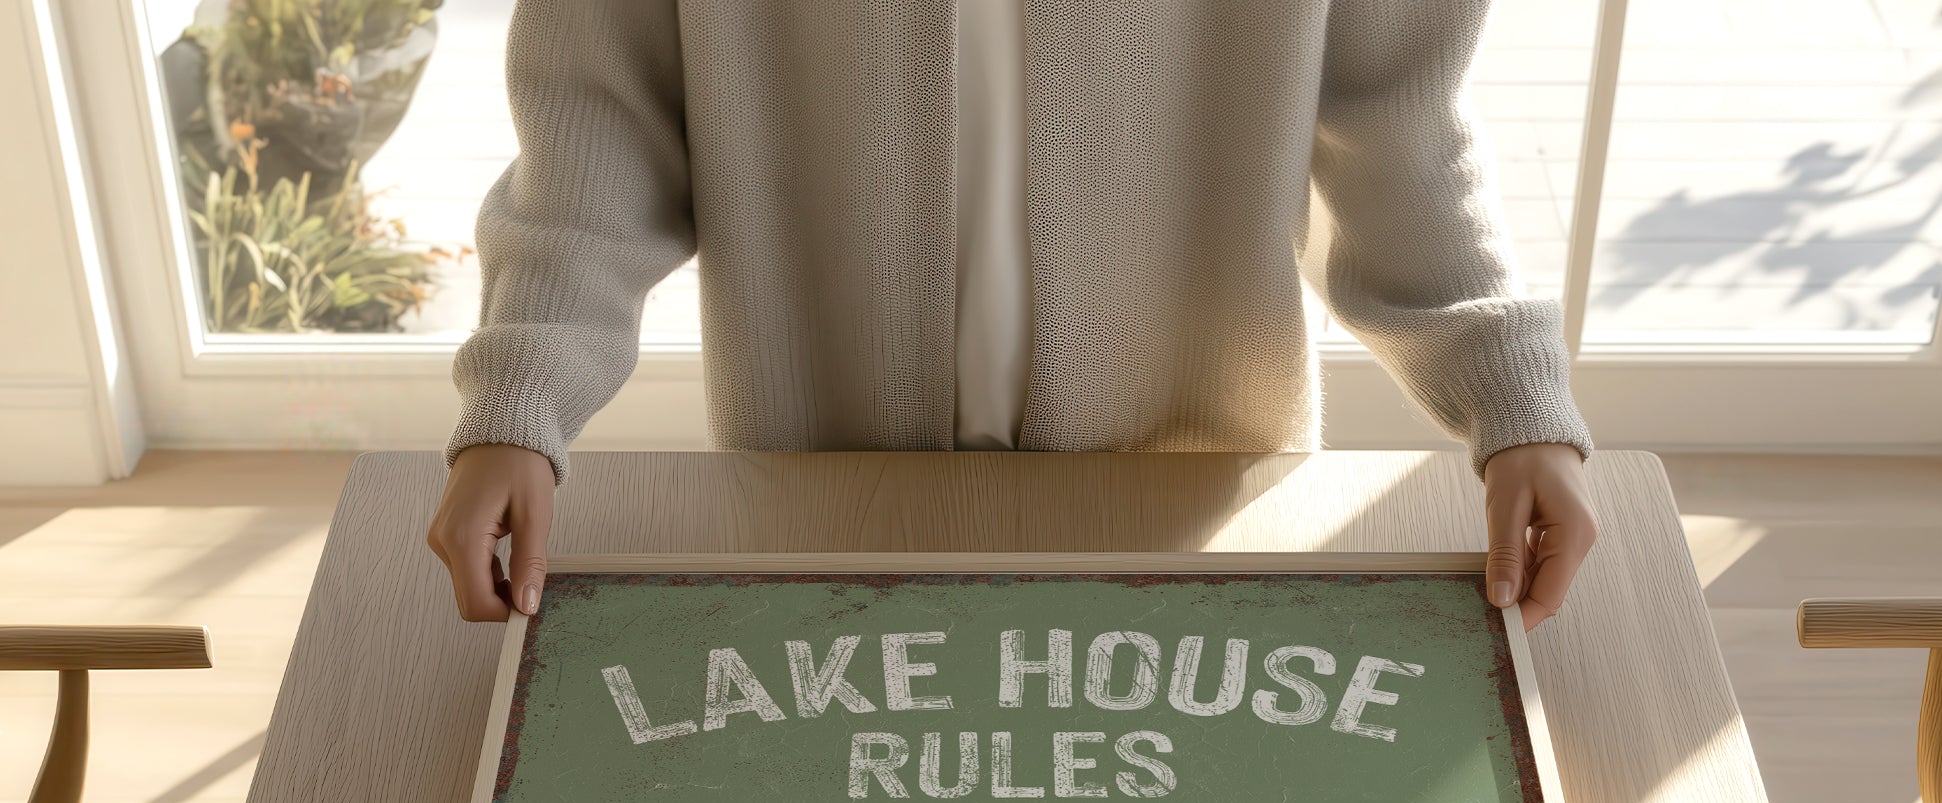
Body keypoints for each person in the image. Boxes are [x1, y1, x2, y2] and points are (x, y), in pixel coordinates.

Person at [429, 0, 1597, 629]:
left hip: (1188, 501)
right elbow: (598, 134)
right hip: (825, 503)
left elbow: (1397, 126)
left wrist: (1510, 394)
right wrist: (520, 399)